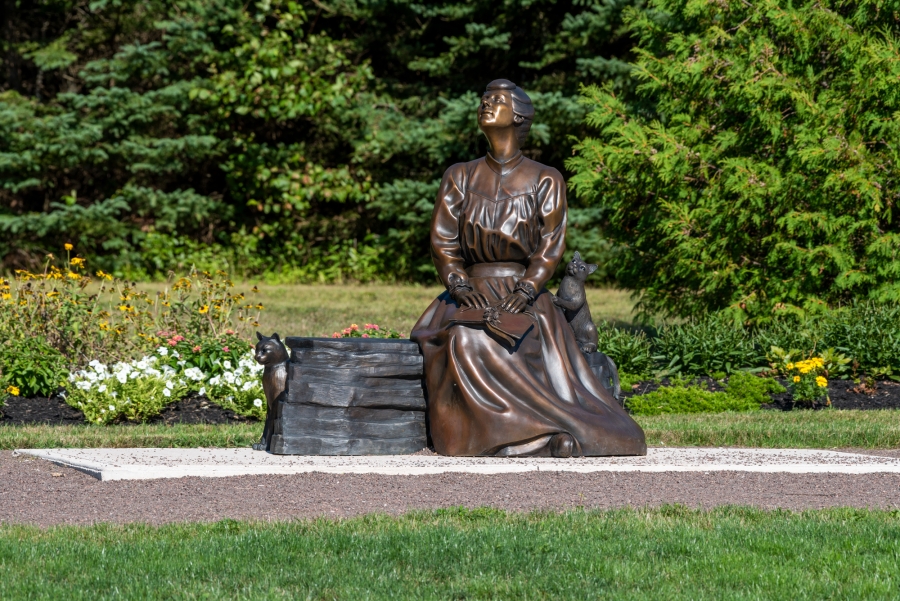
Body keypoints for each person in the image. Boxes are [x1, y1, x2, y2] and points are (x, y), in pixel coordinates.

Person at [411, 79, 647, 457]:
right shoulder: (460, 176)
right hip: (469, 292)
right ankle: (518, 441)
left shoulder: (545, 179)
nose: (485, 104)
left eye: (497, 100)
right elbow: (443, 241)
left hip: (524, 295)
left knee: (522, 341)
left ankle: (538, 433)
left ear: (518, 115)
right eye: (484, 98)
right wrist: (457, 284)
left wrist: (526, 290)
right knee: (463, 339)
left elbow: (550, 246)